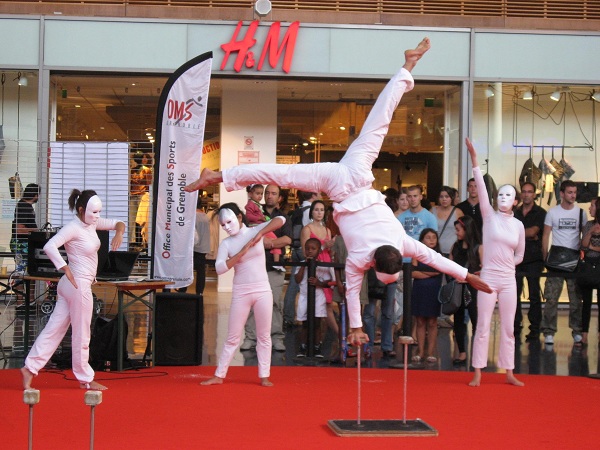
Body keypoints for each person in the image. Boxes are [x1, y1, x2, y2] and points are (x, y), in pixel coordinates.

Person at [185, 38, 491, 347]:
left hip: (358, 173)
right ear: (376, 263)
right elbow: (366, 287)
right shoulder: (360, 258)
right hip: (339, 186)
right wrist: (356, 327)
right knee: (285, 172)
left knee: (378, 122)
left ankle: (409, 65)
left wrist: (468, 275)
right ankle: (219, 175)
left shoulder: (400, 243)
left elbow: (437, 260)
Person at [21, 189, 125, 391]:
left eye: (98, 213)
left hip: (74, 285)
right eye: (93, 212)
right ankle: (85, 378)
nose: (96, 216)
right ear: (80, 209)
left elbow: (117, 223)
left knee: (54, 330)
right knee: (82, 333)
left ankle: (30, 367)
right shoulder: (73, 228)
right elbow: (50, 245)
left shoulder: (91, 222)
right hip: (77, 285)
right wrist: (64, 267)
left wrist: (119, 232)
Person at [201, 203, 285, 386]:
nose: (227, 227)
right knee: (233, 336)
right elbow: (220, 268)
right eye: (223, 225)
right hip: (241, 292)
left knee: (264, 335)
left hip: (263, 289)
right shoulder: (227, 243)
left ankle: (264, 375)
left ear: (240, 217)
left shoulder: (254, 231)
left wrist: (260, 233)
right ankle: (219, 375)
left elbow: (280, 220)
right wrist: (242, 252)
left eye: (229, 222)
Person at [466, 138, 525, 387]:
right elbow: (481, 188)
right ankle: (478, 371)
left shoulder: (518, 225)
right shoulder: (489, 216)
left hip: (508, 279)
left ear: (516, 201)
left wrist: (508, 266)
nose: (502, 197)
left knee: (509, 327)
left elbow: (520, 254)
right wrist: (474, 160)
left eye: (508, 195)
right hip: (488, 277)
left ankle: (509, 371)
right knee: (482, 325)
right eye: (500, 193)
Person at [240, 184, 291, 352]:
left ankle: (276, 337)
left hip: (274, 267)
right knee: (252, 303)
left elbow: (287, 240)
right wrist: (269, 243)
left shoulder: (283, 217)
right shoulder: (253, 212)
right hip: (253, 266)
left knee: (276, 303)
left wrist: (267, 243)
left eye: (273, 193)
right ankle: (250, 337)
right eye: (266, 193)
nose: (269, 196)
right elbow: (245, 236)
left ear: (279, 197)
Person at [541, 180, 586, 346]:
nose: (572, 195)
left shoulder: (581, 213)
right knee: (551, 298)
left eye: (574, 192)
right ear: (561, 193)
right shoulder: (552, 213)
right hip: (555, 261)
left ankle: (576, 330)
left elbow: (584, 236)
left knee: (576, 299)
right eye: (569, 192)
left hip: (574, 261)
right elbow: (545, 235)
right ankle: (549, 331)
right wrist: (545, 257)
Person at [514, 181, 546, 341]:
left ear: (534, 194)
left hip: (534, 258)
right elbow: (528, 233)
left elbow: (534, 231)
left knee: (534, 294)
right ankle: (516, 326)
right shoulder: (515, 212)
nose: (526, 194)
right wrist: (527, 233)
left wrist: (517, 233)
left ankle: (535, 328)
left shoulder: (540, 212)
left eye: (529, 191)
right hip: (516, 258)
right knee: (514, 294)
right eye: (524, 191)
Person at [449, 215, 482, 366]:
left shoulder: (478, 248)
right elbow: (448, 265)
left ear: (466, 229)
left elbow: (485, 269)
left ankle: (477, 352)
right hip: (458, 287)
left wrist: (468, 278)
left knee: (476, 319)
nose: (456, 232)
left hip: (473, 288)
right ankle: (462, 352)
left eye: (458, 229)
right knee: (458, 319)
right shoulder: (455, 247)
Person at [283, 190, 319, 327]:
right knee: (298, 285)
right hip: (306, 250)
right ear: (313, 194)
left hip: (296, 249)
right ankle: (291, 316)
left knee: (294, 284)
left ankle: (289, 315)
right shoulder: (310, 211)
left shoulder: (298, 210)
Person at [294, 237, 335, 357]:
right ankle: (303, 346)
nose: (310, 251)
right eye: (307, 249)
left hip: (318, 296)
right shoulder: (301, 264)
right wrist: (304, 266)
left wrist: (320, 283)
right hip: (304, 296)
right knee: (305, 323)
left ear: (319, 250)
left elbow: (331, 281)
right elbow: (297, 279)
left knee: (317, 323)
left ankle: (317, 346)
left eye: (313, 248)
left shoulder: (324, 265)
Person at [410, 228, 443, 363]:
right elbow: (413, 273)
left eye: (434, 237)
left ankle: (430, 352)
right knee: (420, 321)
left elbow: (439, 271)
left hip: (433, 290)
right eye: (428, 237)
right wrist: (430, 272)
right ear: (422, 239)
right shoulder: (416, 254)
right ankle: (420, 351)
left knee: (432, 321)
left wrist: (423, 272)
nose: (431, 240)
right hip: (419, 290)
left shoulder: (439, 255)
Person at [577, 196, 600, 346]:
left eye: (592, 206)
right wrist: (591, 231)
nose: (589, 208)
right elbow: (583, 245)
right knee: (586, 302)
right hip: (588, 264)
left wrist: (592, 247)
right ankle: (584, 335)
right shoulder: (589, 225)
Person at [245, 184, 283, 269]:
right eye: (257, 193)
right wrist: (259, 218)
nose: (260, 196)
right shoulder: (251, 204)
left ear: (279, 198)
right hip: (256, 227)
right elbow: (248, 216)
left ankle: (276, 263)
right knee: (274, 239)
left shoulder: (257, 205)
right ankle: (276, 263)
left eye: (261, 194)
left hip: (260, 227)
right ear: (250, 194)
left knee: (273, 240)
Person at [10, 183, 40, 269]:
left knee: (26, 270)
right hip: (21, 244)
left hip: (24, 243)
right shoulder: (23, 206)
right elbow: (19, 229)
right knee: (22, 271)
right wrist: (36, 230)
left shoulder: (26, 206)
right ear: (35, 195)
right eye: (38, 195)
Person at [431, 186, 463, 257]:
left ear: (451, 198)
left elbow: (463, 231)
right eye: (441, 197)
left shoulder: (458, 212)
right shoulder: (432, 211)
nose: (444, 199)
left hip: (454, 251)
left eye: (447, 196)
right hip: (436, 251)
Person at [193, 196, 211, 295]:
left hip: (194, 247)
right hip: (204, 247)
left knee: (188, 270)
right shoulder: (205, 216)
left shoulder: (193, 216)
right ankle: (199, 292)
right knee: (201, 272)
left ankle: (183, 290)